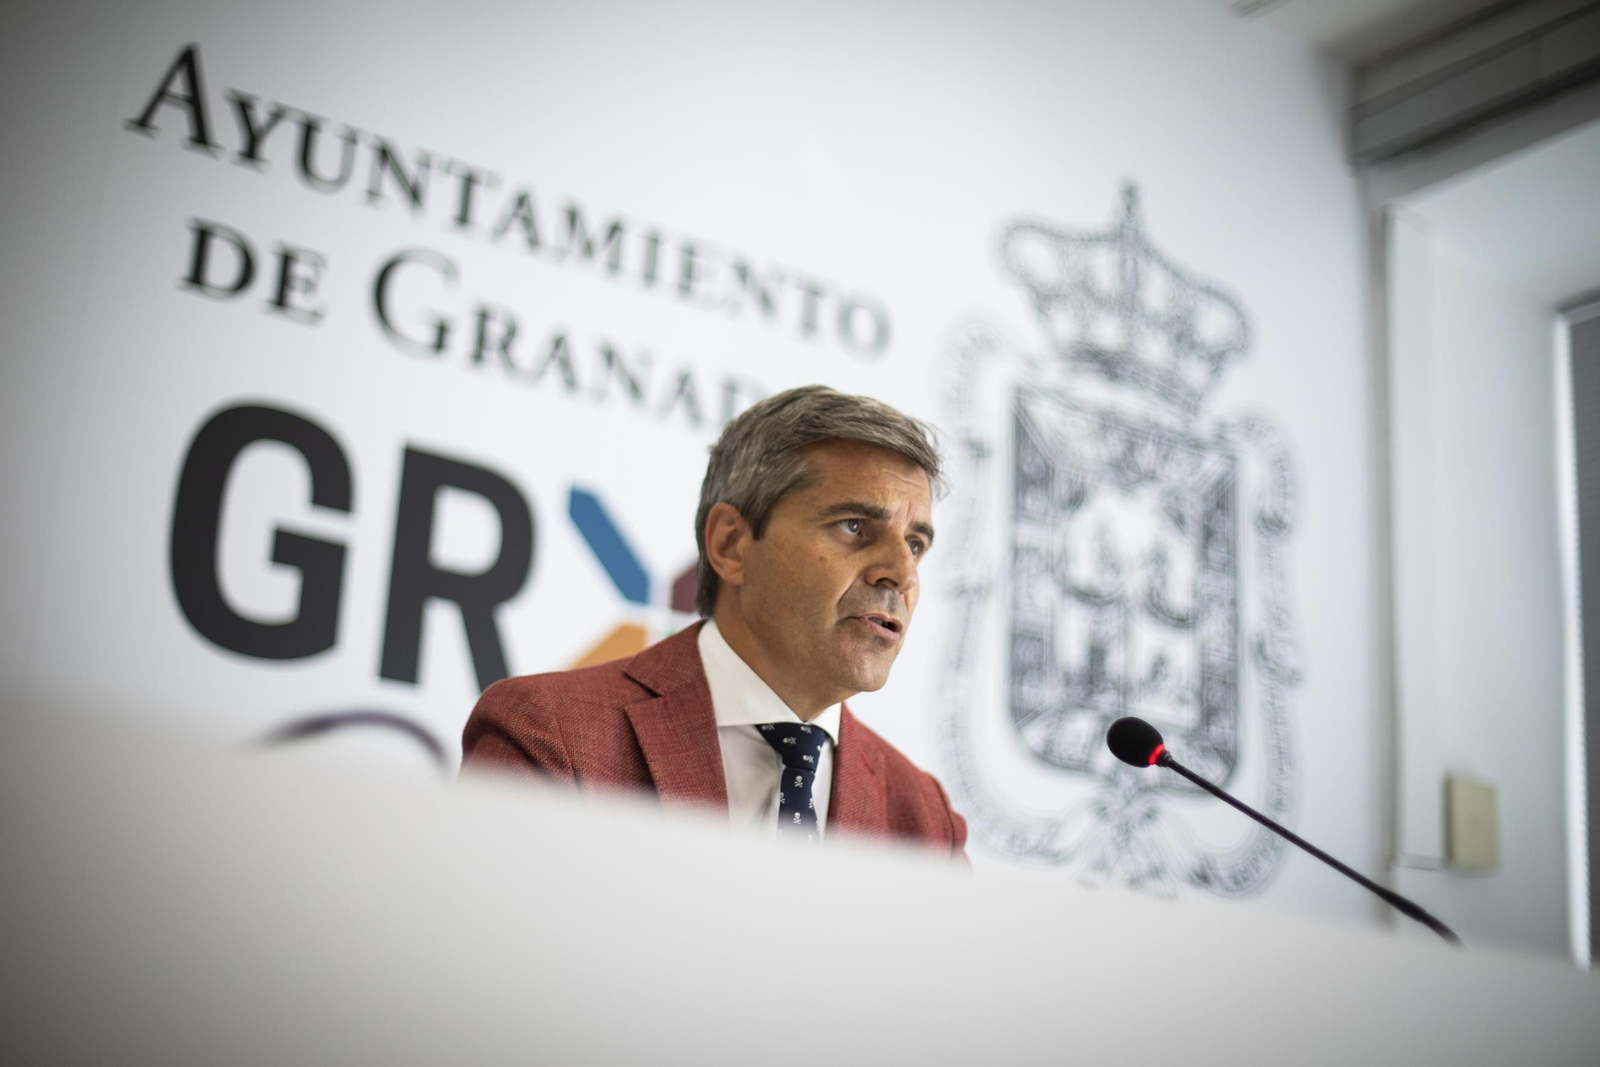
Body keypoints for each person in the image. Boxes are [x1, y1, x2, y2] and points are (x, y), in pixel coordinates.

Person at [461, 384, 967, 860]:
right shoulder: (548, 735)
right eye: (854, 526)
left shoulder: (925, 821)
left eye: (916, 544)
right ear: (730, 544)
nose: (902, 574)